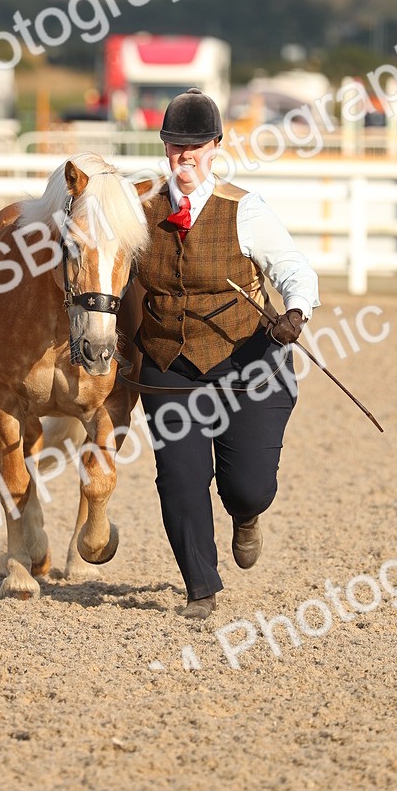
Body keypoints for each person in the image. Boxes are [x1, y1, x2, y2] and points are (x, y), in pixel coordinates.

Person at [134, 87, 320, 619]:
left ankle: (246, 514)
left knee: (249, 486)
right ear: (165, 147)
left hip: (249, 363)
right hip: (169, 362)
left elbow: (293, 267)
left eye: (195, 146)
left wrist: (296, 312)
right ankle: (200, 586)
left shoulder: (246, 209)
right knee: (179, 475)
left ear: (215, 146)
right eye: (175, 146)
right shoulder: (142, 209)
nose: (184, 156)